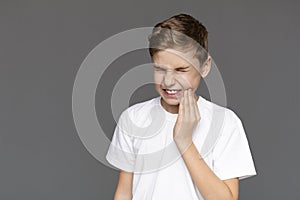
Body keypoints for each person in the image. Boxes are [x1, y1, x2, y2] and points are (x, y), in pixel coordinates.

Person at [106, 13, 256, 200]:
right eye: (160, 69)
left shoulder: (225, 122)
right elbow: (123, 192)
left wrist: (184, 141)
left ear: (204, 67)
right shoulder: (133, 118)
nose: (168, 81)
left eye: (181, 70)